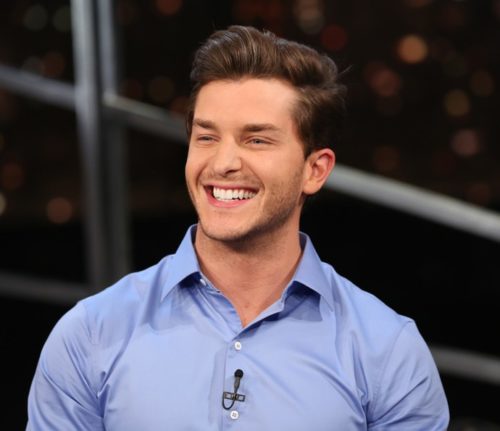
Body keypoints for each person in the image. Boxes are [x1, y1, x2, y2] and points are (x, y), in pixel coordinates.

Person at [27, 25, 449, 430]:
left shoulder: (387, 350)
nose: (223, 163)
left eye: (256, 140)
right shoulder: (91, 333)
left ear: (315, 170)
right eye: (207, 138)